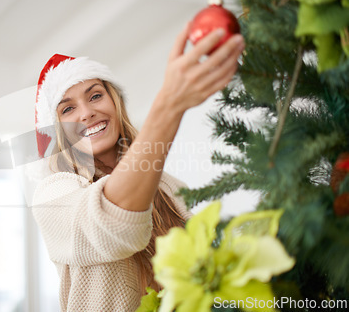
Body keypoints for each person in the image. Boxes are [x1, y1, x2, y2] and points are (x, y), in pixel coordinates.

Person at [31, 23, 245, 311]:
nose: (87, 112)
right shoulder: (53, 195)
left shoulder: (170, 186)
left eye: (95, 95)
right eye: (68, 109)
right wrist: (170, 103)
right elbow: (114, 224)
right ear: (57, 130)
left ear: (115, 102)